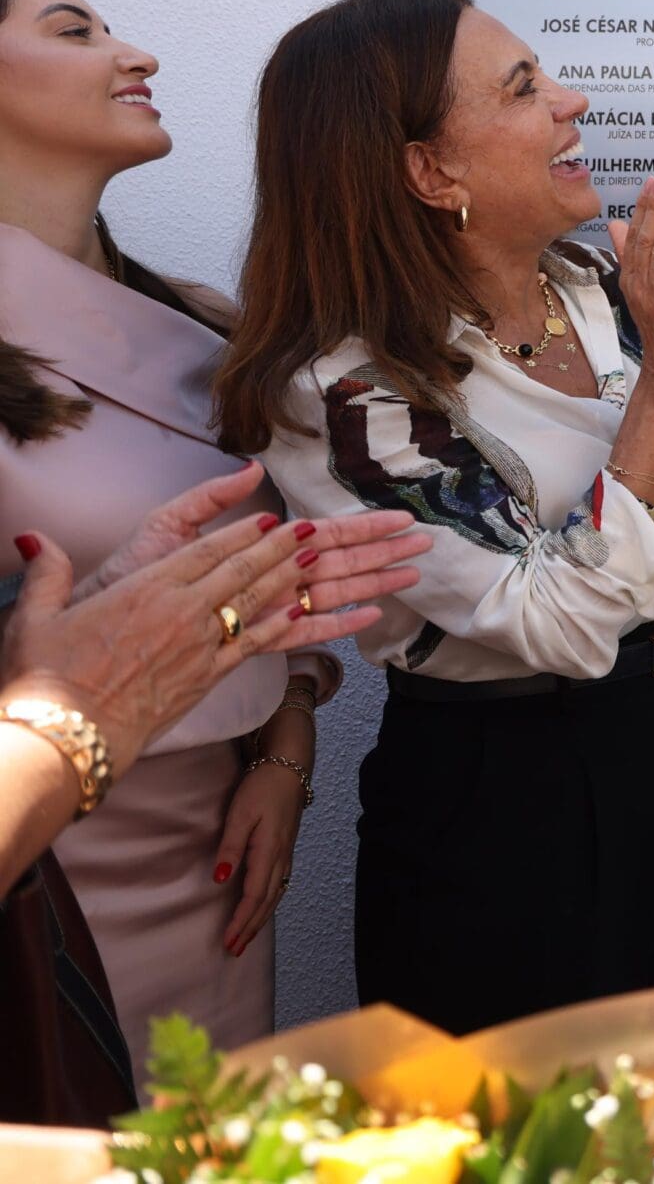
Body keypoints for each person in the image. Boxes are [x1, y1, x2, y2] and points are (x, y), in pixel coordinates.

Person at [213, 0, 654, 1054]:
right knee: (529, 1128)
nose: (572, 101)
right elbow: (557, 619)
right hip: (508, 790)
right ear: (431, 172)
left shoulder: (589, 290)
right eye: (524, 87)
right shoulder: (346, 391)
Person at [0, 0, 375, 1056]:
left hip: (217, 857)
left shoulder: (210, 324)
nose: (136, 55)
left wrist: (287, 748)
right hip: (43, 873)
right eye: (75, 32)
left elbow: (282, 573)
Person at [2, 468, 417, 1124]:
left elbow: (269, 581)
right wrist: (76, 714)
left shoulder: (226, 396)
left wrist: (289, 726)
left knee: (207, 1127)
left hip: (207, 842)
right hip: (46, 861)